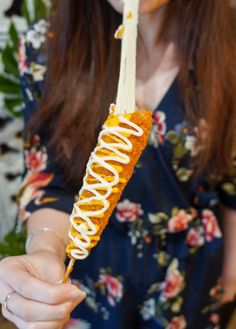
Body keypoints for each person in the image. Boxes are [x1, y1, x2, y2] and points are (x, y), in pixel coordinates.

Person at [0, 0, 236, 328]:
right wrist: (44, 250)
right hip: (90, 276)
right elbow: (50, 182)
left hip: (190, 271)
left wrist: (232, 262)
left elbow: (230, 177)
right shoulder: (46, 48)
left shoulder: (228, 47)